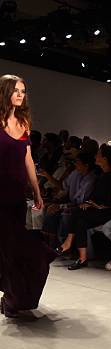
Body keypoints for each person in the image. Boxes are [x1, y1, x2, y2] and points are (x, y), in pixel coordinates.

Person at [0, 74, 56, 318]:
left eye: (23, 90)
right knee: (5, 250)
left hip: (15, 198)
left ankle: (13, 298)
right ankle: (10, 298)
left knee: (26, 251)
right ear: (5, 92)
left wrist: (37, 190)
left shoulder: (23, 123)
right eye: (16, 90)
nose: (21, 94)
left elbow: (28, 160)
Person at [56, 145, 111, 269]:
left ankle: (69, 244)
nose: (95, 156)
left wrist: (97, 205)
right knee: (80, 220)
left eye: (98, 154)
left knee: (77, 213)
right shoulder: (102, 175)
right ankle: (82, 257)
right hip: (99, 210)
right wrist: (90, 204)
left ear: (105, 159)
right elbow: (95, 197)